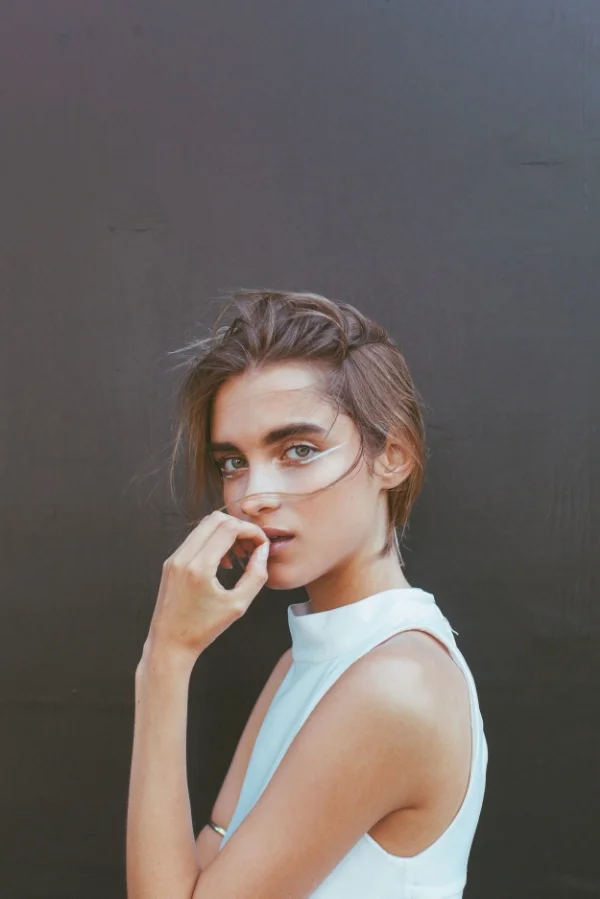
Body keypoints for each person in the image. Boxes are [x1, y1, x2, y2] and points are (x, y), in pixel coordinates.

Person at [126, 289, 488, 899]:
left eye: (298, 450)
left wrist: (166, 659)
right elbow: (197, 870)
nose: (252, 496)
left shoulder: (393, 686)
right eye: (232, 462)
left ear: (393, 455)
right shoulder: (307, 658)